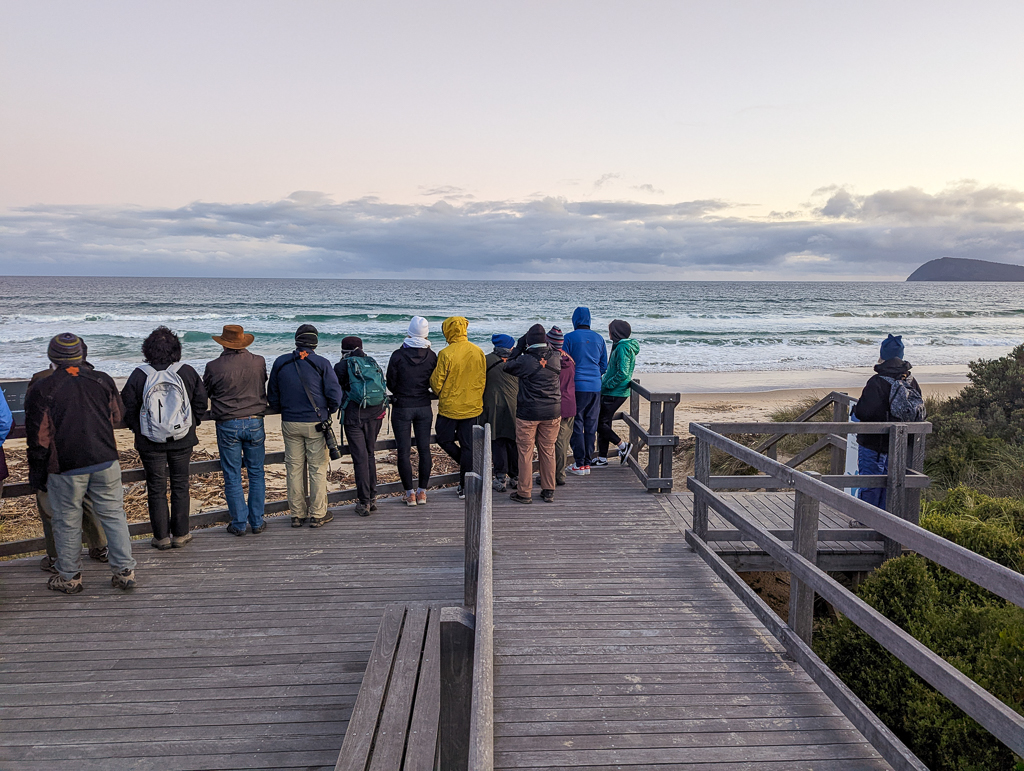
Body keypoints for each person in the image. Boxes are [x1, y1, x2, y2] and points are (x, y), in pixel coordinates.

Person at [25, 333, 137, 594]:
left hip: (65, 463)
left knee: (66, 520)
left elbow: (39, 437)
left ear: (52, 357)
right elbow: (117, 416)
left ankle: (70, 576)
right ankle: (125, 571)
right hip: (105, 458)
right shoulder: (102, 380)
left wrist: (37, 472)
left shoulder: (43, 388)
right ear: (81, 355)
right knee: (114, 514)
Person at [122, 327, 208, 549]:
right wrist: (192, 424)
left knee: (156, 488)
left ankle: (161, 537)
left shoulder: (139, 374)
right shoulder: (186, 371)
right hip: (182, 439)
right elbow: (201, 402)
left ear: (147, 350)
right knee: (181, 485)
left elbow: (127, 408)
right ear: (176, 349)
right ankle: (181, 534)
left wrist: (140, 429)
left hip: (150, 442)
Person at [28, 342, 108, 572]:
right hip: (87, 451)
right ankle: (100, 546)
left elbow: (34, 419)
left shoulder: (41, 379)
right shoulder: (94, 378)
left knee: (50, 506)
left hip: (53, 455)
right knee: (88, 500)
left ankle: (58, 557)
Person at [268, 324, 343, 528]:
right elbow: (335, 395)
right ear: (315, 343)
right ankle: (318, 514)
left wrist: (283, 409)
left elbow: (272, 394)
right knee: (317, 469)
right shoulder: (322, 363)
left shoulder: (281, 362)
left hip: (290, 422)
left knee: (293, 469)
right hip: (316, 423)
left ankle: (297, 514)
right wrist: (329, 410)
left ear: (297, 341)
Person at [203, 324, 269, 536]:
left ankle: (239, 523)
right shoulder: (258, 361)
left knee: (232, 475)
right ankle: (257, 521)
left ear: (223, 344)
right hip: (255, 420)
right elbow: (262, 383)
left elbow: (206, 392)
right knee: (256, 472)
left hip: (228, 423)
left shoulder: (213, 366)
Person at [853, 334, 925, 510]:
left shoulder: (877, 381)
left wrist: (856, 410)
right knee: (891, 487)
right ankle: (886, 521)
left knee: (870, 484)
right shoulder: (910, 381)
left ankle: (865, 521)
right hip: (900, 445)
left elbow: (864, 412)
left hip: (873, 444)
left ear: (882, 355)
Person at [430, 316, 486, 498]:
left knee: (443, 438)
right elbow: (482, 378)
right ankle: (465, 484)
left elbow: (436, 383)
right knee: (468, 446)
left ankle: (465, 470)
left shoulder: (446, 353)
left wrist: (440, 391)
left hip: (450, 407)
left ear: (448, 331)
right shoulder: (478, 351)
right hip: (472, 405)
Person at [504, 324, 561, 504]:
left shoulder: (525, 360)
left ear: (528, 341)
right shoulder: (556, 357)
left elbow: (508, 366)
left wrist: (520, 346)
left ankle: (524, 492)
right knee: (548, 450)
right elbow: (554, 354)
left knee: (525, 452)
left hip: (528, 412)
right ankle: (548, 489)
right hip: (552, 410)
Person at [386, 317, 437, 506]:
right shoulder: (432, 356)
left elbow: (390, 382)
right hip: (424, 405)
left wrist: (400, 391)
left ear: (409, 332)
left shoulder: (398, 355)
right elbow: (434, 380)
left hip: (402, 406)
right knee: (424, 449)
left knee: (403, 451)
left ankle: (409, 494)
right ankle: (422, 492)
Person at [335, 336, 388, 516]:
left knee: (360, 458)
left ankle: (364, 502)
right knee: (370, 454)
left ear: (343, 350)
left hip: (353, 417)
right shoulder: (372, 362)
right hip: (376, 414)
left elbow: (335, 391)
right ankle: (372, 498)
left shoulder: (341, 366)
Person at [563, 307, 608, 476]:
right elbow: (603, 365)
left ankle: (579, 463)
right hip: (595, 386)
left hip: (576, 386)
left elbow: (564, 363)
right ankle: (588, 463)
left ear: (574, 320)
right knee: (591, 425)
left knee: (577, 423)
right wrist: (595, 375)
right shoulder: (599, 338)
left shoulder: (569, 338)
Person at [594, 320, 639, 466]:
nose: (609, 333)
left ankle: (623, 446)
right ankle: (602, 458)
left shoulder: (622, 347)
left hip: (615, 392)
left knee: (599, 423)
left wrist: (606, 384)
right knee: (605, 423)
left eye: (610, 330)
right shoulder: (620, 346)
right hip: (613, 391)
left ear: (615, 332)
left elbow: (623, 373)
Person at [484, 333, 520, 492]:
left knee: (498, 441)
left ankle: (500, 477)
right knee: (514, 441)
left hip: (493, 406)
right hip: (515, 407)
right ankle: (516, 476)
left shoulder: (486, 360)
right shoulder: (517, 361)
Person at [547, 327, 576, 486]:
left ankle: (555, 475)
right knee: (563, 442)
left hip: (556, 404)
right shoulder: (569, 359)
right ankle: (559, 473)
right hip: (570, 403)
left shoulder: (551, 361)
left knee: (553, 442)